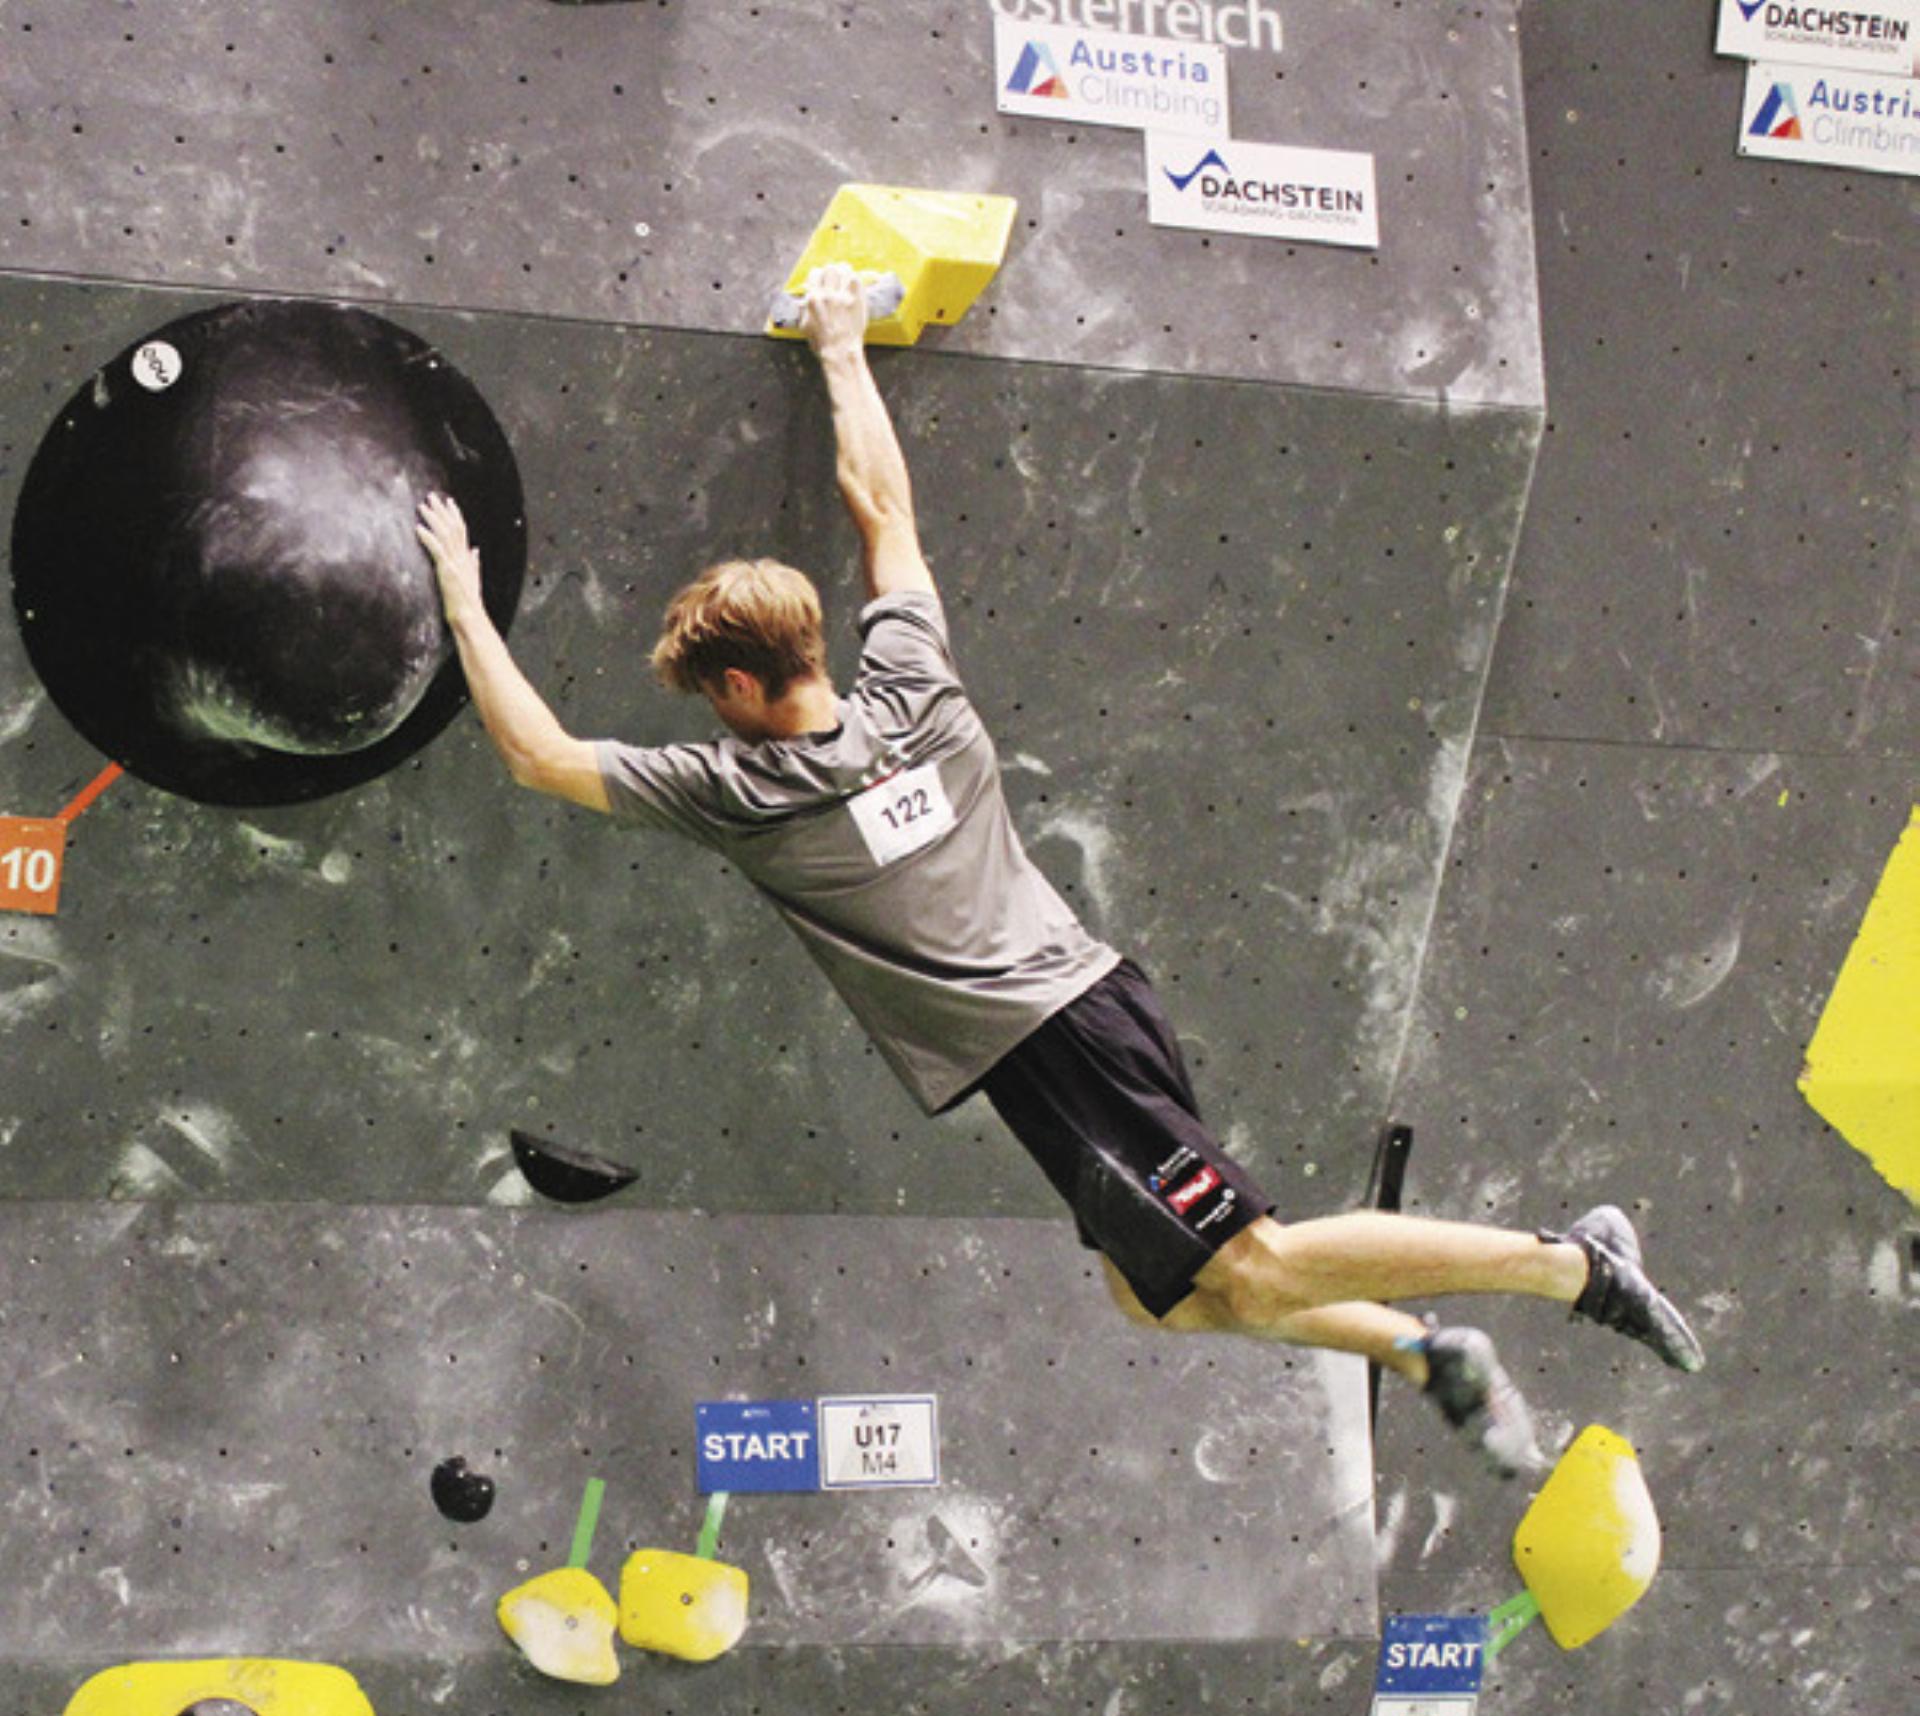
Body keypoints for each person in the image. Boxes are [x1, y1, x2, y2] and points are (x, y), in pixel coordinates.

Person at [416, 262, 1704, 1478]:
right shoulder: (913, 685)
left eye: (714, 697)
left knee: (1251, 1266)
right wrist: (840, 345)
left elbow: (540, 755)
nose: (714, 718)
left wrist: (466, 603)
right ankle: (1425, 1350)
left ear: (745, 686)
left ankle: (1568, 1267)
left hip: (1056, 1043)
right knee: (1165, 1301)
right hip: (1080, 1018)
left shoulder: (745, 794)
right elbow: (883, 512)